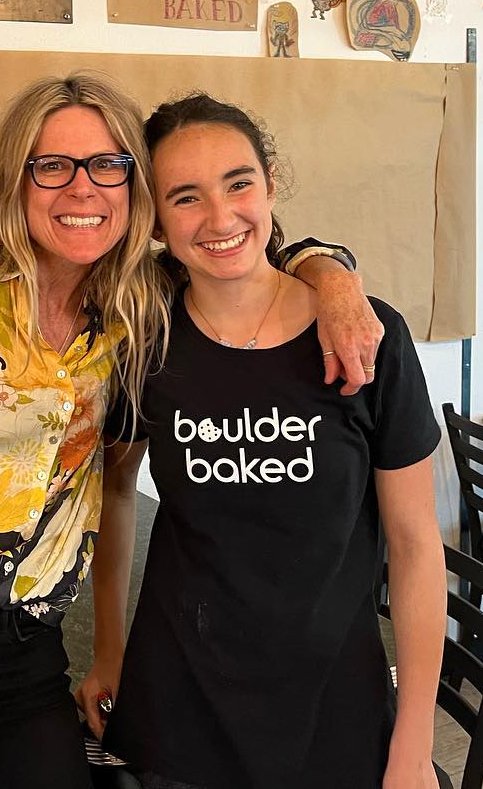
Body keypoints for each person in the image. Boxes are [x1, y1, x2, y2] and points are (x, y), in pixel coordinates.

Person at [0, 75, 383, 788]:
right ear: (16, 179)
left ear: (135, 189)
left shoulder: (139, 302)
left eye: (107, 165)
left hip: (16, 659)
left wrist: (332, 275)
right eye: (53, 166)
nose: (82, 188)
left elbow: (237, 246)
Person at [80, 94, 444, 789]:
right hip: (181, 700)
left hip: (334, 703)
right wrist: (109, 650)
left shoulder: (368, 336)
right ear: (154, 219)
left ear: (271, 185)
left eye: (239, 183)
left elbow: (416, 544)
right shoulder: (145, 340)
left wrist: (414, 742)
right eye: (186, 197)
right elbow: (115, 492)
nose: (220, 219)